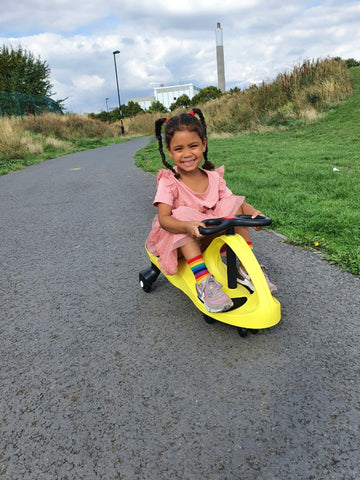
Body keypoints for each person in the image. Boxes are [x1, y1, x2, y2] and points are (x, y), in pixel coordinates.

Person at [146, 108, 277, 313]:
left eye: (193, 146)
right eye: (179, 149)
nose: (187, 154)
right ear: (170, 152)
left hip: (208, 235)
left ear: (204, 144)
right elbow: (164, 219)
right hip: (180, 241)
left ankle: (246, 269)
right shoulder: (169, 182)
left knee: (234, 207)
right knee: (180, 215)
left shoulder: (214, 178)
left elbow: (234, 202)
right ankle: (204, 281)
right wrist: (186, 226)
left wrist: (254, 212)